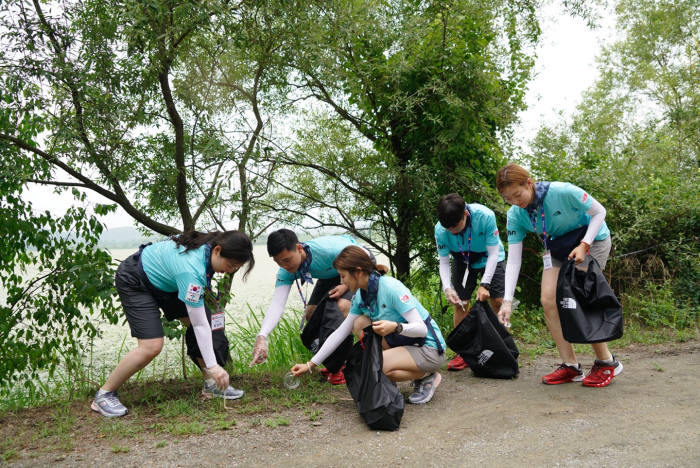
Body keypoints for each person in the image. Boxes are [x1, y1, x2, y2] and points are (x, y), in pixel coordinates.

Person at [91, 231, 255, 417]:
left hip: (168, 281)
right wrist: (214, 365)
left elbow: (200, 323)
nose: (231, 270)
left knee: (209, 325)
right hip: (136, 279)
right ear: (217, 250)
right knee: (151, 346)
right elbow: (199, 324)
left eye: (236, 267)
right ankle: (104, 394)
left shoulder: (210, 249)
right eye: (230, 264)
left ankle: (212, 385)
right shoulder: (191, 270)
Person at [496, 162, 622, 387]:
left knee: (580, 296)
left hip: (593, 239)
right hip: (558, 245)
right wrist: (507, 302)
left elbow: (599, 212)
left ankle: (607, 362)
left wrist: (585, 244)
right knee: (548, 299)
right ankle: (571, 366)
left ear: (529, 183)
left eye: (517, 194)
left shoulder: (563, 191)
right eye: (508, 199)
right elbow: (514, 259)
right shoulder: (515, 215)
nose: (516, 202)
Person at [290, 245, 447, 404]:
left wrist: (395, 327)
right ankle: (419, 374)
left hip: (429, 348)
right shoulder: (361, 295)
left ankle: (427, 376)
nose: (341, 282)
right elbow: (341, 332)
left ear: (358, 272)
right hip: (405, 343)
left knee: (373, 367)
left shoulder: (390, 287)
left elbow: (421, 329)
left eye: (343, 276)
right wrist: (309, 365)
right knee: (360, 323)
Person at [250, 229, 357, 384]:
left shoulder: (328, 250)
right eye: (278, 262)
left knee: (342, 306)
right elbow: (277, 304)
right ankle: (336, 363)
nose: (284, 266)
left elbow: (365, 257)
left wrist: (346, 284)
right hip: (328, 275)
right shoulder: (285, 270)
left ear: (299, 248)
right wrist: (262, 336)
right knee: (311, 315)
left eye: (286, 260)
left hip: (353, 268)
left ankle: (351, 363)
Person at [435, 193, 507, 371]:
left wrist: (485, 284)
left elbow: (493, 254)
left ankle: (502, 348)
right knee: (460, 303)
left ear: (465, 214)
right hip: (462, 259)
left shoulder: (485, 216)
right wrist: (447, 288)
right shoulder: (441, 229)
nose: (451, 231)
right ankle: (464, 351)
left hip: (489, 256)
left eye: (455, 226)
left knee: (497, 301)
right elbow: (443, 261)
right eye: (447, 228)